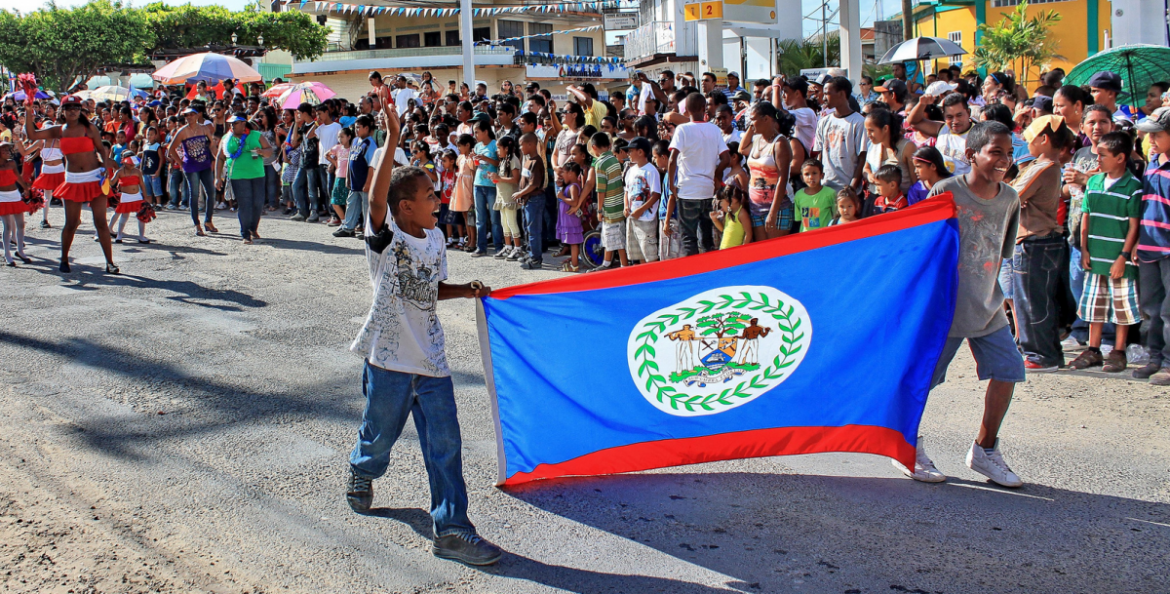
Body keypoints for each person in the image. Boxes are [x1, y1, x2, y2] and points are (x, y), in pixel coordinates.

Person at [346, 87, 501, 566]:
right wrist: (391, 138)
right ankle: (361, 470)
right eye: (429, 194)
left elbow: (431, 291)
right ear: (404, 206)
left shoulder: (435, 238)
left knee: (445, 447)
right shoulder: (384, 240)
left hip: (432, 363)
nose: (438, 198)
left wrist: (467, 290)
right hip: (390, 362)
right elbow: (375, 197)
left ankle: (452, 530)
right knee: (379, 438)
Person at [903, 121, 1025, 488]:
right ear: (972, 155)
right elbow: (923, 244)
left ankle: (985, 451)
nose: (1004, 159)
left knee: (1008, 370)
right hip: (943, 310)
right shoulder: (946, 191)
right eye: (996, 152)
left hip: (986, 307)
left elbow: (1000, 252)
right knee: (923, 381)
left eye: (1009, 152)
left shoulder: (1009, 199)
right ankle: (907, 447)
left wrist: (1000, 302)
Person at [1068, 131, 1141, 372]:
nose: (1097, 160)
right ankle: (1093, 349)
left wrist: (1123, 256)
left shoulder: (1133, 187)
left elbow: (1133, 225)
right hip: (1095, 256)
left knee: (1121, 308)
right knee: (1094, 306)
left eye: (1103, 155)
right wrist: (1085, 249)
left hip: (1119, 259)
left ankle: (1118, 351)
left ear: (1120, 158)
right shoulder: (1094, 182)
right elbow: (1086, 218)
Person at [1012, 115, 1078, 371]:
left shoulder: (1041, 167)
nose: (1027, 140)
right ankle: (1048, 353)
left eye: (1031, 135)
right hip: (1045, 241)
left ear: (1044, 138)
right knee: (1040, 300)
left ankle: (1040, 355)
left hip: (1034, 242)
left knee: (1031, 302)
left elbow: (1012, 196)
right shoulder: (1048, 165)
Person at [25, 94, 118, 273]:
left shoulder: (89, 128)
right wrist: (29, 110)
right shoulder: (57, 130)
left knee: (100, 222)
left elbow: (101, 149)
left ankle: (110, 262)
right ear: (63, 111)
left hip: (94, 178)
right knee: (71, 223)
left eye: (76, 107)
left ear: (80, 110)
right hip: (73, 180)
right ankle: (65, 259)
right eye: (69, 108)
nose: (73, 111)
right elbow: (32, 134)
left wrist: (105, 166)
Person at [667, 93, 729, 256]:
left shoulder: (682, 129)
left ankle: (693, 273)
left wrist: (670, 185)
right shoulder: (715, 130)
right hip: (707, 191)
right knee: (707, 238)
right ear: (704, 108)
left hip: (688, 191)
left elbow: (672, 159)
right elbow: (726, 158)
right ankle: (709, 272)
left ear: (686, 110)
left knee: (688, 239)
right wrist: (715, 175)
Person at [1135, 108, 1170, 383]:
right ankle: (1154, 356)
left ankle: (1169, 362)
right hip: (1148, 246)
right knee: (1150, 307)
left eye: (1158, 134)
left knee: (1169, 311)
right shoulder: (1152, 162)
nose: (1152, 139)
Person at [215, 113, 274, 244]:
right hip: (238, 175)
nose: (232, 125)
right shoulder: (227, 138)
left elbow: (269, 150)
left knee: (258, 204)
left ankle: (253, 228)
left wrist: (262, 152)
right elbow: (220, 157)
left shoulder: (256, 135)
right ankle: (245, 233)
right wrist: (217, 177)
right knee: (245, 204)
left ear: (243, 123)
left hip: (257, 174)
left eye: (235, 123)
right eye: (231, 123)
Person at [739, 101, 795, 241]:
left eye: (753, 119)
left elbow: (783, 178)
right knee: (762, 252)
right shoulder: (757, 140)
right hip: (756, 207)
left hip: (777, 208)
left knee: (775, 253)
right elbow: (742, 149)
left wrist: (773, 212)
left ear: (766, 119)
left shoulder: (780, 143)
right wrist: (752, 128)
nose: (750, 124)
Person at [169, 105, 218, 236]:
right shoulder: (182, 131)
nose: (189, 117)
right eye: (186, 115)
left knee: (211, 193)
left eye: (191, 114)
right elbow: (171, 149)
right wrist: (181, 163)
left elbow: (212, 144)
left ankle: (208, 221)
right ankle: (197, 224)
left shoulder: (204, 128)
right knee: (194, 194)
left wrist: (217, 158)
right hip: (191, 166)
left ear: (197, 115)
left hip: (205, 165)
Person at [812, 76, 868, 192]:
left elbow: (862, 158)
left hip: (847, 191)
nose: (824, 97)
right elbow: (821, 154)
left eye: (827, 93)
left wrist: (852, 189)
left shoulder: (858, 122)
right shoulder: (823, 122)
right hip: (826, 188)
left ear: (841, 94)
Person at [582, 132, 626, 271]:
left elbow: (601, 189)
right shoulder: (614, 159)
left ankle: (624, 266)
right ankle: (606, 263)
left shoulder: (600, 163)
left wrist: (599, 209)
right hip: (619, 203)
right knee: (610, 235)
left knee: (616, 239)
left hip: (610, 206)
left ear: (594, 147)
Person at [908, 93, 974, 176]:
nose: (955, 121)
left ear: (968, 112)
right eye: (949, 117)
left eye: (959, 115)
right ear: (944, 116)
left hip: (963, 187)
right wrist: (922, 104)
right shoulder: (942, 129)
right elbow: (913, 122)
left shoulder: (978, 134)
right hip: (941, 186)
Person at [336, 115, 377, 238]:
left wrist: (368, 183)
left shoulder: (370, 144)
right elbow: (350, 160)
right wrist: (348, 177)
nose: (356, 130)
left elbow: (371, 165)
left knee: (366, 206)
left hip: (364, 182)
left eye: (358, 127)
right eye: (355, 127)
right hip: (354, 182)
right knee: (351, 204)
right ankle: (348, 227)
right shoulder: (355, 141)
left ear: (366, 128)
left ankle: (367, 230)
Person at [622, 137, 660, 264]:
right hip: (632, 217)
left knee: (649, 252)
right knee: (638, 253)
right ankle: (644, 279)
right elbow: (627, 190)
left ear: (640, 152)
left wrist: (641, 210)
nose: (628, 154)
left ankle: (654, 280)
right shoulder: (631, 170)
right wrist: (626, 207)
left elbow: (655, 194)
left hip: (646, 219)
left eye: (631, 151)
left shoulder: (651, 170)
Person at [513, 133, 546, 270]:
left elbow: (533, 185)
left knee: (534, 231)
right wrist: (522, 196)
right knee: (527, 229)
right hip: (527, 200)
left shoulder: (536, 162)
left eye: (522, 144)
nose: (520, 147)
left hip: (535, 200)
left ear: (531, 145)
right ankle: (529, 254)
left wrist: (520, 193)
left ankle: (536, 259)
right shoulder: (527, 160)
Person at [470, 119, 500, 257]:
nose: (475, 135)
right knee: (480, 219)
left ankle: (499, 247)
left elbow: (499, 163)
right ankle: (481, 247)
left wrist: (485, 158)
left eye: (477, 132)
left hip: (492, 185)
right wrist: (474, 159)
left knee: (495, 218)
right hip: (478, 184)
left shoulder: (495, 145)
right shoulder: (477, 146)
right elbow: (477, 165)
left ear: (485, 131)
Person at [490, 135, 523, 260]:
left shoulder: (514, 160)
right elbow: (503, 178)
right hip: (502, 197)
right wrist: (494, 178)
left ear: (506, 148)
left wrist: (498, 178)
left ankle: (518, 248)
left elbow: (515, 179)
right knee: (504, 223)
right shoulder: (504, 161)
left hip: (509, 198)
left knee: (512, 222)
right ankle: (508, 246)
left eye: (499, 148)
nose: (497, 151)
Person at [108, 153, 150, 244]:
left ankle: (141, 236)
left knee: (141, 216)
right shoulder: (119, 172)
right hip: (125, 197)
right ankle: (119, 235)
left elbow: (142, 185)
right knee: (124, 216)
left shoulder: (137, 171)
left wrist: (145, 197)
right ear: (124, 162)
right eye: (130, 163)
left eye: (133, 163)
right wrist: (106, 176)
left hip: (137, 196)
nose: (132, 165)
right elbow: (112, 183)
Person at [0, 142, 31, 266]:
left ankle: (20, 251)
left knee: (21, 224)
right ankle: (7, 254)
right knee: (7, 226)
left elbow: (18, 177)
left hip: (15, 195)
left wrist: (26, 189)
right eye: (4, 150)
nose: (8, 151)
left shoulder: (12, 163)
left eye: (8, 149)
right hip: (2, 197)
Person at [556, 161, 585, 272]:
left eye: (564, 172)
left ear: (571, 173)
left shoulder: (573, 187)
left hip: (571, 219)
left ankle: (574, 265)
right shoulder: (569, 185)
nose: (562, 175)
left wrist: (562, 197)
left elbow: (574, 202)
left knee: (573, 242)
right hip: (567, 219)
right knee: (572, 241)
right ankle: (574, 262)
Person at [792, 159, 836, 231]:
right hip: (805, 237)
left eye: (814, 173)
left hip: (825, 235)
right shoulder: (798, 195)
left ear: (822, 175)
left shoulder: (830, 193)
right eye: (807, 174)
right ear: (802, 178)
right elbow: (799, 218)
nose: (811, 177)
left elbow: (836, 216)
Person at [31, 135, 63, 229]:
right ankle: (44, 219)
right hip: (47, 169)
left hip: (59, 169)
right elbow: (25, 151)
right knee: (47, 195)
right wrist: (17, 141)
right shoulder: (40, 141)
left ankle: (71, 219)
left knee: (64, 195)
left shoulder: (59, 141)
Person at [326, 127, 355, 226]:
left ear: (349, 137)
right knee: (335, 201)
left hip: (350, 178)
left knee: (348, 202)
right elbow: (327, 154)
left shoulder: (353, 148)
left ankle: (349, 222)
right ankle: (343, 221)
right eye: (338, 137)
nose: (340, 139)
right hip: (339, 177)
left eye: (342, 137)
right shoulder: (337, 148)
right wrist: (334, 162)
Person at [453, 133, 476, 252]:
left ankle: (473, 240)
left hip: (468, 188)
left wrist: (472, 192)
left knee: (471, 216)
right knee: (465, 216)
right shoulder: (460, 158)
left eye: (460, 146)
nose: (458, 148)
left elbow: (473, 173)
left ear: (467, 145)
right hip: (460, 188)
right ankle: (469, 238)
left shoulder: (471, 158)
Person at [711, 184, 751, 249]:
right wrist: (715, 220)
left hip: (735, 253)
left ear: (733, 200)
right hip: (724, 250)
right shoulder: (728, 214)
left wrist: (743, 250)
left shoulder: (742, 213)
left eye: (721, 201)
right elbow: (723, 229)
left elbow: (748, 233)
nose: (720, 204)